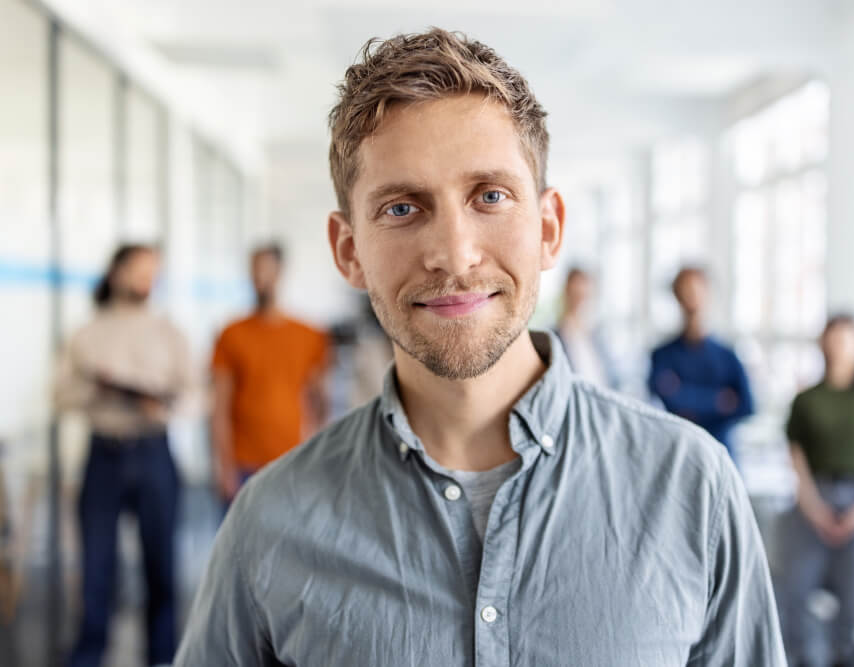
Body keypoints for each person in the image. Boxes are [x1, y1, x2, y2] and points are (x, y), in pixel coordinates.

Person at [176, 29, 784, 666]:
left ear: (548, 229)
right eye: (403, 208)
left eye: (490, 196)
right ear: (348, 251)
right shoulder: (271, 521)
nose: (455, 255)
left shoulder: (691, 489)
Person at [55, 244, 195, 667]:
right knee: (96, 571)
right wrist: (101, 387)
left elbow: (193, 394)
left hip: (154, 452)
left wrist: (163, 405)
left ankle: (163, 659)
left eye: (152, 271)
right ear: (117, 272)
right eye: (138, 270)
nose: (145, 279)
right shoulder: (87, 334)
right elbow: (60, 395)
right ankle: (87, 657)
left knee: (161, 571)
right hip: (104, 456)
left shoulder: (169, 333)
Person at [776, 314, 854, 667]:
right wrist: (814, 507)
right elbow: (796, 457)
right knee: (796, 589)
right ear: (824, 343)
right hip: (814, 500)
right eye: (835, 338)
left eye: (849, 339)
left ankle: (847, 656)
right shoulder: (807, 400)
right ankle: (801, 657)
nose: (841, 346)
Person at [210, 243, 330, 502]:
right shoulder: (232, 334)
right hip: (243, 463)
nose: (260, 278)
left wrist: (316, 458)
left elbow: (319, 403)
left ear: (280, 272)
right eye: (254, 271)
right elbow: (219, 407)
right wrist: (223, 467)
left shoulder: (308, 335)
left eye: (266, 270)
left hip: (292, 461)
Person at [648, 266, 754, 459]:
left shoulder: (728, 356)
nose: (690, 299)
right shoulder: (662, 356)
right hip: (678, 455)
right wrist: (720, 401)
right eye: (684, 292)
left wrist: (686, 397)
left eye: (695, 291)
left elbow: (747, 406)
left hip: (722, 455)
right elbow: (666, 401)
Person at [554, 267, 620, 388]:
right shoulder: (555, 337)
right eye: (576, 294)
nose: (580, 302)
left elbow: (611, 377)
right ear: (566, 294)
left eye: (584, 296)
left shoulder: (598, 336)